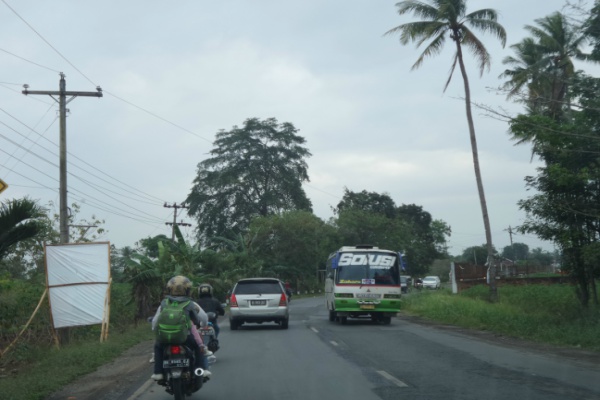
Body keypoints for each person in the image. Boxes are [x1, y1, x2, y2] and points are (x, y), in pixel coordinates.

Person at [151, 275, 211, 381]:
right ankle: (201, 370)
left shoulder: (164, 304)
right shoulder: (191, 303)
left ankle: (158, 372)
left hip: (166, 338)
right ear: (188, 290)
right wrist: (201, 324)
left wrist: (155, 329)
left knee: (158, 347)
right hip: (186, 338)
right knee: (198, 347)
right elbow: (203, 318)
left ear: (169, 289)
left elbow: (155, 322)